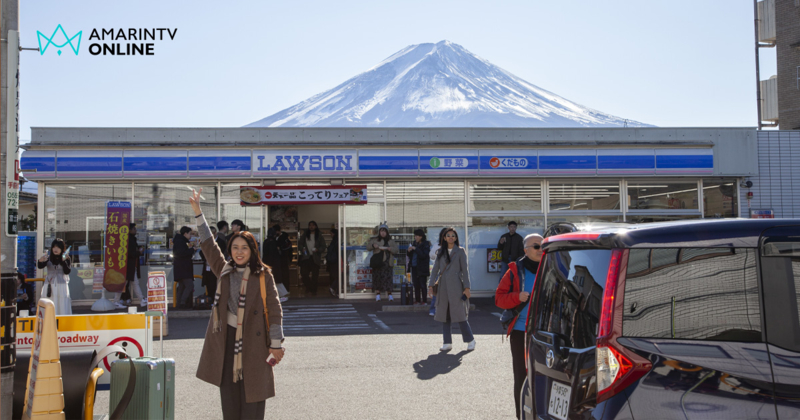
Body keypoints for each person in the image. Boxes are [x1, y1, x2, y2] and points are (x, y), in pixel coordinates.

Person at [189, 188, 285, 420]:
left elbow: (274, 311)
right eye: (235, 247)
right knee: (230, 402)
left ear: (253, 251)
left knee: (253, 400)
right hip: (227, 339)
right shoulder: (225, 270)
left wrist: (276, 343)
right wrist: (198, 213)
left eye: (244, 248)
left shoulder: (263, 275)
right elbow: (209, 245)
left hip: (255, 342)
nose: (239, 252)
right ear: (230, 250)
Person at [495, 233, 543, 419]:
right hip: (521, 332)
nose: (540, 249)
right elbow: (499, 299)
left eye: (542, 245)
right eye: (536, 246)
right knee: (522, 377)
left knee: (544, 375)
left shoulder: (552, 267)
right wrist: (517, 297)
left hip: (546, 333)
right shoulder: (514, 270)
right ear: (526, 250)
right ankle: (522, 415)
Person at [428, 228, 475, 352]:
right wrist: (430, 285)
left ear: (455, 238)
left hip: (456, 286)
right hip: (443, 286)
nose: (450, 237)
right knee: (444, 314)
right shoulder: (440, 252)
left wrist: (467, 287)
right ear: (444, 238)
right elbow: (435, 270)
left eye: (452, 235)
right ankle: (447, 342)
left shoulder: (460, 251)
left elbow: (465, 271)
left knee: (460, 314)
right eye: (448, 235)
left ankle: (470, 340)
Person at [37, 238, 72, 315]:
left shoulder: (66, 258)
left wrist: (63, 261)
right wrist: (40, 260)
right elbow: (40, 266)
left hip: (61, 285)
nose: (55, 249)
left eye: (58, 247)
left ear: (62, 248)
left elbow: (67, 271)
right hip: (49, 285)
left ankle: (62, 323)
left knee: (61, 304)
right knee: (49, 302)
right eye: (54, 247)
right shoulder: (48, 258)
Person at [116, 223, 146, 308]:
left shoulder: (130, 239)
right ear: (130, 230)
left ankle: (141, 300)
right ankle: (116, 301)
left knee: (133, 283)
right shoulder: (129, 240)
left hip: (130, 265)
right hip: (128, 265)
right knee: (124, 283)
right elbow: (129, 253)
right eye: (134, 229)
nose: (135, 230)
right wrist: (138, 252)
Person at [368, 223, 399, 302]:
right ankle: (378, 295)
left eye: (384, 231)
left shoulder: (391, 241)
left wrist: (390, 249)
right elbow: (368, 247)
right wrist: (373, 245)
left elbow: (396, 250)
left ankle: (390, 295)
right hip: (378, 262)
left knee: (388, 279)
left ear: (387, 232)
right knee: (377, 278)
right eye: (381, 231)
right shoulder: (375, 239)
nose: (383, 233)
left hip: (388, 263)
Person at [297, 221, 326, 296]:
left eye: (313, 225)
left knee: (315, 275)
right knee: (304, 274)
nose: (311, 227)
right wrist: (302, 249)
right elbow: (299, 244)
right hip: (306, 257)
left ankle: (313, 290)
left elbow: (323, 246)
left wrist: (318, 250)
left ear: (316, 226)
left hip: (315, 258)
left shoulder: (319, 235)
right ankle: (309, 287)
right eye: (310, 225)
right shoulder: (305, 235)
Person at [174, 226, 197, 310]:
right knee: (189, 285)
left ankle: (179, 304)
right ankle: (183, 302)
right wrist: (192, 250)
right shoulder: (181, 242)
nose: (190, 235)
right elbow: (182, 253)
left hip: (181, 269)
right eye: (190, 233)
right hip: (184, 268)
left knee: (182, 287)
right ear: (185, 233)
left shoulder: (179, 241)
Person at [407, 229, 431, 305]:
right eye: (415, 236)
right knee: (416, 284)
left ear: (421, 236)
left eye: (417, 236)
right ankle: (417, 300)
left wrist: (416, 249)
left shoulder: (426, 244)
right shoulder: (414, 243)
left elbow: (424, 255)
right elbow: (410, 255)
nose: (415, 237)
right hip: (414, 266)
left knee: (423, 284)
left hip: (422, 267)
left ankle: (424, 300)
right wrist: (409, 251)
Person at [200, 226, 220, 300]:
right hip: (207, 267)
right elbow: (201, 253)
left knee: (215, 284)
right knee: (208, 284)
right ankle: (210, 299)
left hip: (216, 266)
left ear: (215, 233)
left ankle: (215, 300)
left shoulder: (220, 242)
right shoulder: (205, 242)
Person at [326, 226, 339, 297]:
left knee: (336, 275)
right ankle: (335, 289)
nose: (331, 235)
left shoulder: (334, 241)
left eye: (331, 233)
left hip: (333, 261)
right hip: (335, 260)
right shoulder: (337, 240)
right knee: (338, 275)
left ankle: (333, 288)